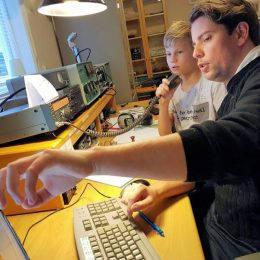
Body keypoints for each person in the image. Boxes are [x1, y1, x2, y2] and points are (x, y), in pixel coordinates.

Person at [0, 0, 259, 259]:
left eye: (206, 39)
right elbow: (214, 166)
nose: (195, 53)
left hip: (237, 243)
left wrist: (90, 161)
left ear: (240, 33)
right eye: (195, 43)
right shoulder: (237, 86)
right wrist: (157, 190)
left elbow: (227, 144)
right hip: (219, 222)